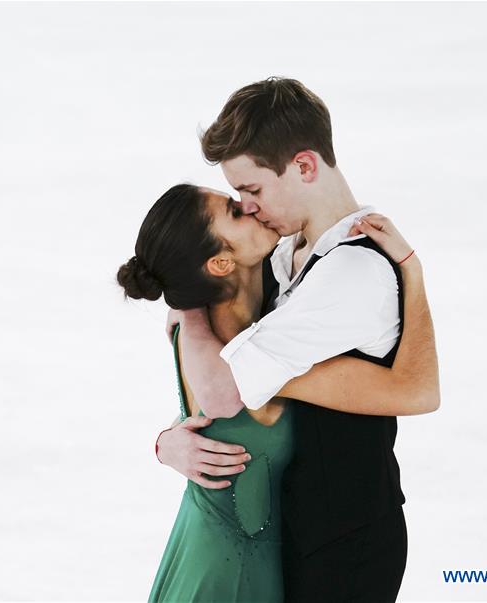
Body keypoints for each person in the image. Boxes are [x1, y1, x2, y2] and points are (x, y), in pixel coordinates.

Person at [154, 77, 440, 601]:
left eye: (254, 190)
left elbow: (228, 385)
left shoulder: (350, 274)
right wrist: (172, 439)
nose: (249, 207)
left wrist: (186, 305)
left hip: (342, 547)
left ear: (305, 166)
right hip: (288, 532)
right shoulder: (288, 254)